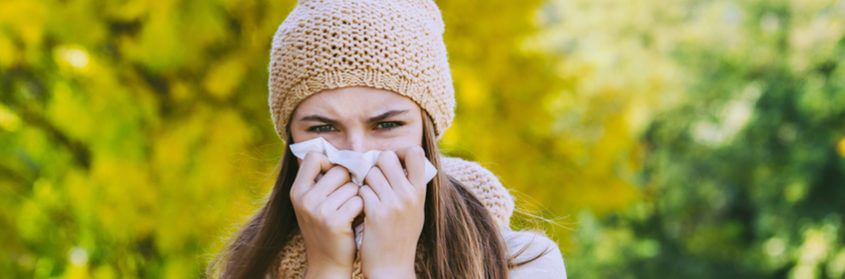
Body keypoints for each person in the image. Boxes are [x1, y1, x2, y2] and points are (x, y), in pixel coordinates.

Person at [210, 0, 566, 278]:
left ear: (427, 131)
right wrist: (327, 269)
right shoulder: (253, 266)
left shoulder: (519, 261)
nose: (357, 152)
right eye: (321, 129)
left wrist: (392, 270)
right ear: (290, 139)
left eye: (387, 125)